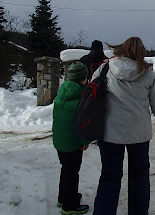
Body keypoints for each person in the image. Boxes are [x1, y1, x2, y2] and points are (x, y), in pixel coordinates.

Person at [92, 36, 155, 215]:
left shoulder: (105, 68)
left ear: (122, 49)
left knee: (109, 178)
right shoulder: (147, 73)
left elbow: (92, 95)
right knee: (139, 179)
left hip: (110, 133)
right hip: (139, 135)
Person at [52, 61, 91, 215]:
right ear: (83, 78)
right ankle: (69, 206)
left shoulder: (62, 93)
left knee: (66, 170)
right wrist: (84, 142)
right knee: (72, 173)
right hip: (72, 144)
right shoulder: (79, 98)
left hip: (60, 141)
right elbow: (81, 124)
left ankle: (64, 197)